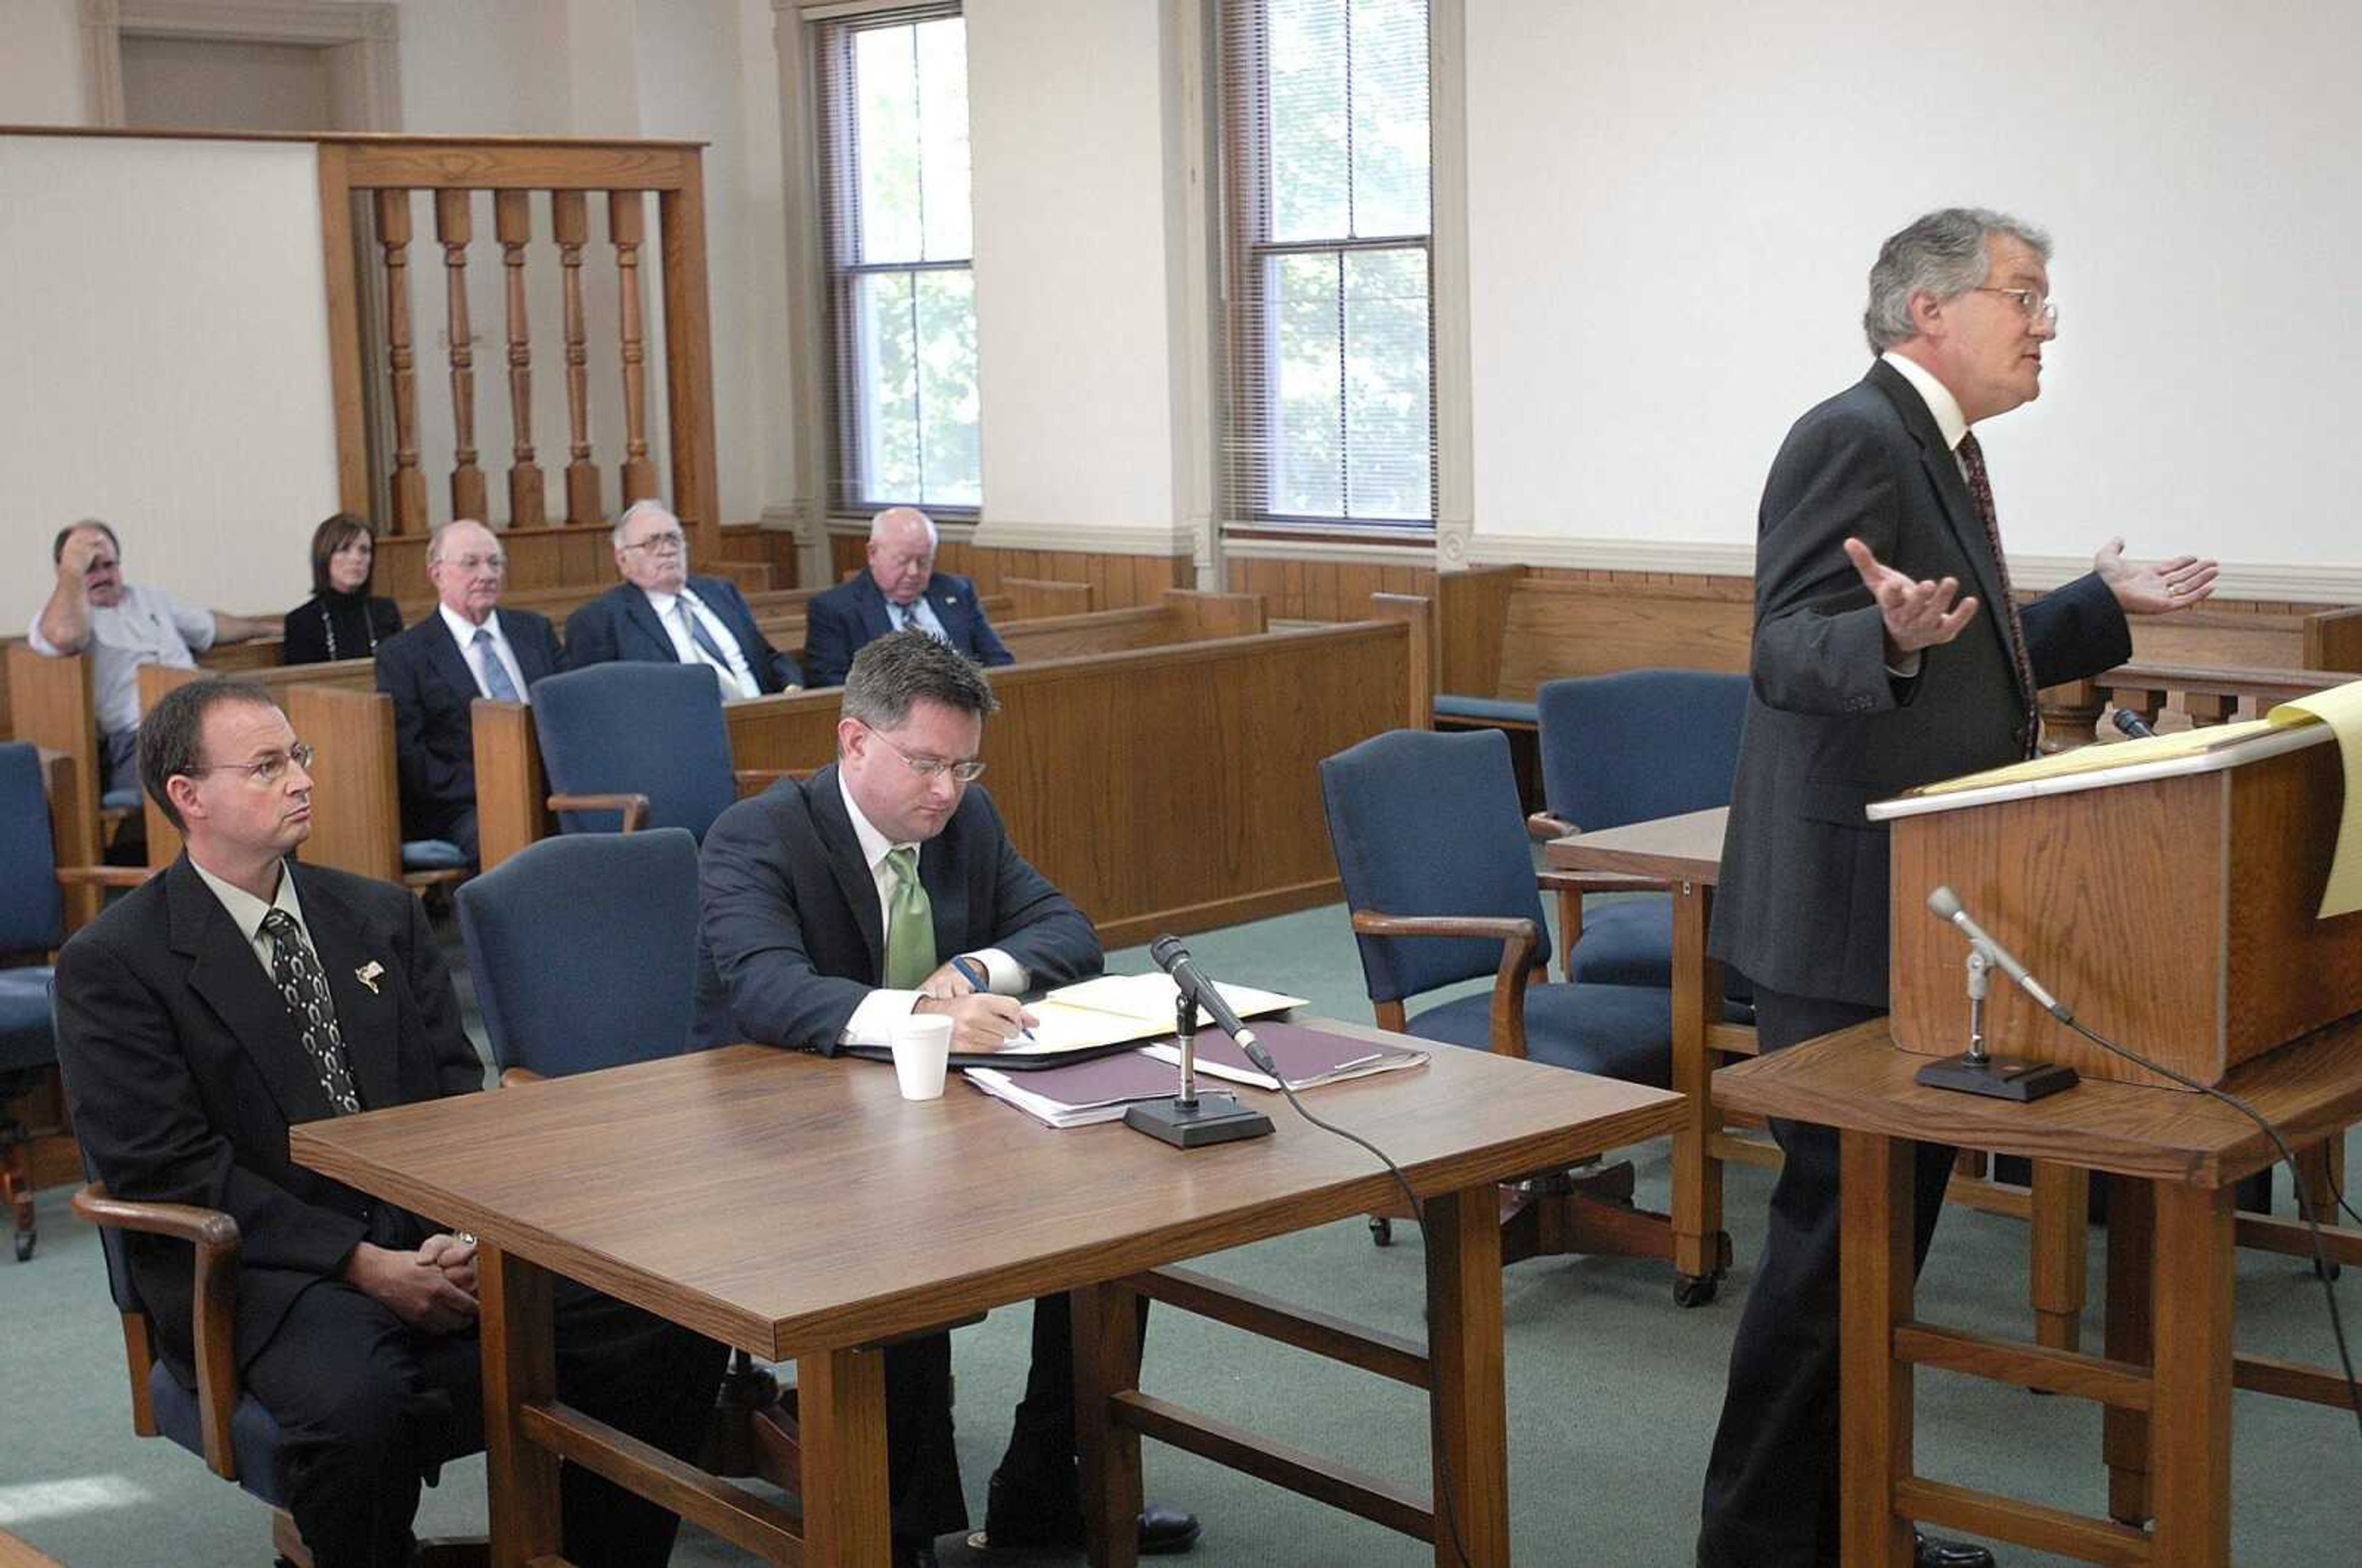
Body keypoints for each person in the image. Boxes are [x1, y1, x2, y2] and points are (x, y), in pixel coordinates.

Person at [1696, 208, 2219, 1568]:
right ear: (1930, 311)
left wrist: (2097, 601)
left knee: (1881, 1247)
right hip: (1843, 915)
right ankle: (1761, 1542)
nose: (2048, 323)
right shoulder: (1853, 434)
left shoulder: (1942, 446)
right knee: (1828, 1252)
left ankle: (1848, 1513)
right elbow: (1784, 650)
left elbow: (1963, 657)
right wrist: (1880, 635)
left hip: (1914, 910)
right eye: (2026, 296)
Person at [52, 677, 725, 1568]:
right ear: (188, 796)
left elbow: (450, 1093)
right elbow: (168, 1168)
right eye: (266, 766)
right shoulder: (116, 962)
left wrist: (455, 1229)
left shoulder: (378, 913)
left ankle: (588, 1554)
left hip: (427, 1236)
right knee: (357, 1404)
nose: (299, 779)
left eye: (300, 756)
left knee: (664, 1316)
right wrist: (361, 1263)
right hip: (269, 1270)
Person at [692, 631, 1199, 1567]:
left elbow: (1066, 930)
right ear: (853, 742)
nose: (946, 791)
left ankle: (1048, 1492)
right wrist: (922, 1013)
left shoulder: (967, 821)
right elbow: (766, 990)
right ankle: (900, 1533)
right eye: (925, 764)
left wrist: (972, 965)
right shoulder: (762, 834)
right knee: (904, 1249)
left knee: (1111, 1217)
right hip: (782, 1126)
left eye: (964, 765)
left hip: (936, 1114)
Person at [28, 519, 274, 798]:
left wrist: (270, 629)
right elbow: (65, 636)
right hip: (142, 738)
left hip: (203, 719)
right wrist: (72, 572)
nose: (103, 576)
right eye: (90, 568)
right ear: (65, 570)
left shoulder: (149, 598)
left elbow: (211, 625)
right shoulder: (63, 617)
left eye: (109, 566)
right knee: (218, 782)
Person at [373, 519, 563, 863]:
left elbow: (570, 716)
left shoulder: (534, 632)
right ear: (437, 573)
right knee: (513, 851)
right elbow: (413, 757)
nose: (487, 573)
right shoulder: (405, 655)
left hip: (555, 791)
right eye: (471, 563)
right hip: (465, 805)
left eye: (495, 562)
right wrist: (501, 786)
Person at [562, 499, 801, 694]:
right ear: (623, 559)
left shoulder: (720, 593)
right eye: (652, 543)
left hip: (764, 722)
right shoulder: (600, 621)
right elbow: (598, 703)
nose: (667, 550)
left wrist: (791, 686)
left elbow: (766, 657)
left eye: (673, 539)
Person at [801, 507, 1014, 687]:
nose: (913, 572)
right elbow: (832, 687)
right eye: (902, 561)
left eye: (924, 561)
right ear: (872, 554)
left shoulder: (957, 591)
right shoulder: (835, 609)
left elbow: (998, 661)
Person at [283, 512, 404, 666]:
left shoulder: (386, 611)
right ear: (325, 556)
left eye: (364, 550)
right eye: (345, 549)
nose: (357, 559)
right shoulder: (302, 621)